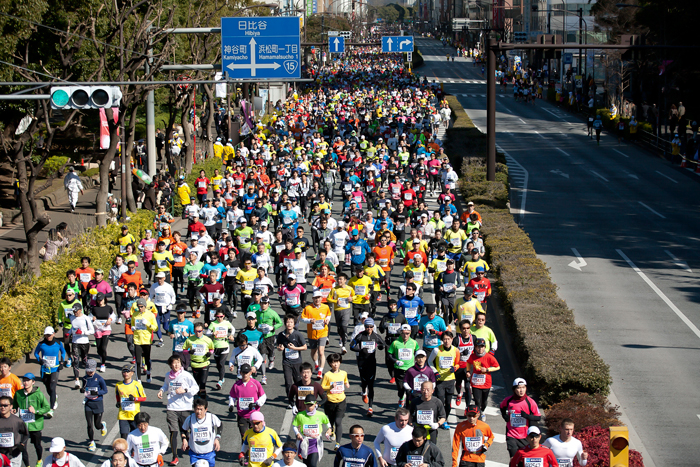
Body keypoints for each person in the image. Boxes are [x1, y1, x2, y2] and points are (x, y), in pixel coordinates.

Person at [158, 354, 199, 466]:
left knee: (187, 430)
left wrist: (185, 390)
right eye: (174, 363)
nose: (176, 365)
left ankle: (193, 449)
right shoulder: (168, 375)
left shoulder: (186, 375)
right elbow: (166, 385)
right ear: (170, 365)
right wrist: (162, 390)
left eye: (178, 362)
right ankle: (175, 457)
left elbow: (196, 388)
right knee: (173, 432)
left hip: (185, 407)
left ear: (181, 363)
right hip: (171, 407)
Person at [349, 318, 385, 416]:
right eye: (367, 327)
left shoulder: (376, 336)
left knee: (371, 384)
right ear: (364, 327)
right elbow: (351, 346)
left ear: (373, 327)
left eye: (371, 327)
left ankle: (370, 407)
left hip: (372, 362)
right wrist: (359, 349)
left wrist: (381, 347)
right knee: (364, 381)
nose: (369, 328)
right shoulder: (360, 335)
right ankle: (363, 391)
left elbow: (383, 344)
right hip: (362, 362)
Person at [13, 373, 50, 465]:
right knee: (22, 447)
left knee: (37, 445)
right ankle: (28, 465)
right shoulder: (18, 394)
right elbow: (14, 406)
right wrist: (13, 409)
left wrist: (36, 411)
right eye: (24, 380)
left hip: (35, 425)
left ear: (33, 382)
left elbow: (46, 407)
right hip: (23, 426)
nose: (25, 382)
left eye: (28, 380)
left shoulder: (38, 394)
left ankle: (39, 460)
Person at [500, 378, 542, 458]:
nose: (521, 390)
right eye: (519, 388)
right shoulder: (508, 400)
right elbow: (502, 407)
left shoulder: (530, 402)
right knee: (514, 458)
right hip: (511, 434)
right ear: (514, 389)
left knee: (524, 460)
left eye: (523, 387)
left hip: (525, 436)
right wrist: (504, 416)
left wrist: (527, 416)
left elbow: (538, 417)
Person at [428, 331, 459, 428]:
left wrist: (455, 368)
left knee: (448, 402)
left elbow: (458, 363)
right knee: (440, 401)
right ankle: (439, 418)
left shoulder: (455, 350)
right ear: (442, 340)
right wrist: (435, 372)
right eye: (445, 339)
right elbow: (429, 362)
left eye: (448, 339)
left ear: (452, 339)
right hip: (440, 380)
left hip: (450, 380)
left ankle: (444, 419)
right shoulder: (437, 350)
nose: (447, 341)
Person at [181, 398, 222, 467]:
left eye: (201, 409)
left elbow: (220, 425)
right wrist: (184, 439)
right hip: (195, 454)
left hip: (209, 454)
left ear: (206, 409)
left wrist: (217, 438)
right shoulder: (190, 419)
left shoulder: (211, 417)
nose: (199, 412)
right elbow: (183, 430)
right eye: (197, 409)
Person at [300, 291, 332, 379]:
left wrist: (327, 320)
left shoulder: (325, 307)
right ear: (313, 299)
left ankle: (320, 371)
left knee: (321, 352)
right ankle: (316, 364)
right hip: (312, 333)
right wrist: (309, 320)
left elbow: (328, 314)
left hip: (323, 332)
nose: (317, 299)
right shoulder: (308, 308)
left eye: (319, 298)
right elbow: (302, 318)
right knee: (313, 351)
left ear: (322, 298)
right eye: (315, 298)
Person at [228, 363, 266, 437]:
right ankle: (245, 449)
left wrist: (256, 403)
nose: (245, 374)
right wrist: (231, 405)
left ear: (250, 372)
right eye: (243, 373)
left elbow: (263, 396)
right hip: (242, 416)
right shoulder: (236, 385)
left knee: (255, 437)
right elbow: (232, 396)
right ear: (240, 373)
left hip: (254, 416)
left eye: (247, 372)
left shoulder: (256, 383)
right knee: (244, 437)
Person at [291, 398, 332, 467]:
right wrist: (297, 433)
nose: (310, 407)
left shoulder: (321, 414)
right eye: (308, 405)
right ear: (305, 404)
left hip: (315, 443)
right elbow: (294, 426)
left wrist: (329, 429)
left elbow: (327, 423)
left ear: (315, 404)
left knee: (313, 464)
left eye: (311, 405)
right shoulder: (300, 415)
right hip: (304, 442)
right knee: (306, 464)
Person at [321, 354, 349, 450]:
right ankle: (332, 431)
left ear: (340, 362)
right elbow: (322, 387)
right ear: (330, 363)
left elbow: (345, 380)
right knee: (331, 421)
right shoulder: (327, 375)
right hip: (330, 401)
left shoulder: (344, 373)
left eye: (337, 362)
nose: (335, 364)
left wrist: (347, 384)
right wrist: (330, 387)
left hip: (341, 400)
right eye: (333, 362)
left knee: (338, 421)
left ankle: (338, 443)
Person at [33, 327, 66, 410]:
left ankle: (51, 408)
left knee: (52, 387)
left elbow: (63, 351)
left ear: (53, 334)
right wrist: (39, 360)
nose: (48, 337)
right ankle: (54, 396)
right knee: (48, 387)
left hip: (55, 369)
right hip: (44, 369)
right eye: (46, 335)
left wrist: (62, 362)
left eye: (50, 335)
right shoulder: (41, 344)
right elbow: (36, 353)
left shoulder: (58, 343)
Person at [80, 360, 108, 452]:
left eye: (91, 371)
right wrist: (82, 390)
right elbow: (84, 388)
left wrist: (97, 392)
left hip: (98, 403)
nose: (90, 372)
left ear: (96, 369)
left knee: (97, 425)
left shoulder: (99, 379)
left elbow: (105, 390)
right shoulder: (84, 378)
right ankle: (92, 442)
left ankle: (102, 426)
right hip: (88, 403)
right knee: (89, 424)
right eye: (88, 370)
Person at [276, 315, 307, 397]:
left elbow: (305, 347)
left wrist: (294, 348)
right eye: (287, 322)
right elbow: (278, 346)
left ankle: (300, 399)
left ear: (294, 324)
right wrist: (280, 348)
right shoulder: (281, 335)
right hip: (286, 362)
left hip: (297, 362)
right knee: (288, 382)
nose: (289, 324)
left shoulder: (298, 334)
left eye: (291, 322)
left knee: (298, 381)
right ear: (285, 323)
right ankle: (291, 401)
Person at [183, 322, 215, 400]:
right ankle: (196, 403)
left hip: (204, 364)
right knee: (196, 385)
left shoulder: (207, 340)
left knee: (203, 385)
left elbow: (212, 349)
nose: (198, 333)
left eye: (199, 331)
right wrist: (189, 352)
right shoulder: (190, 340)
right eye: (196, 331)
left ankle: (203, 403)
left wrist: (209, 353)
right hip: (194, 364)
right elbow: (184, 350)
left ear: (203, 330)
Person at [115, 364, 146, 440]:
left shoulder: (137, 385)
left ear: (132, 373)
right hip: (123, 414)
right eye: (124, 372)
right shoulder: (118, 385)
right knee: (124, 435)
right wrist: (118, 402)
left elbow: (144, 398)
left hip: (134, 415)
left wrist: (135, 399)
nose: (125, 374)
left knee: (135, 436)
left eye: (128, 372)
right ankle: (125, 451)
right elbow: (117, 395)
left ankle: (134, 451)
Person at [0, 395, 28, 467]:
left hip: (14, 455)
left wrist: (22, 444)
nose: (2, 407)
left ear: (11, 406)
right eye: (0, 405)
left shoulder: (17, 421)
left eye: (5, 405)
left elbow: (25, 434)